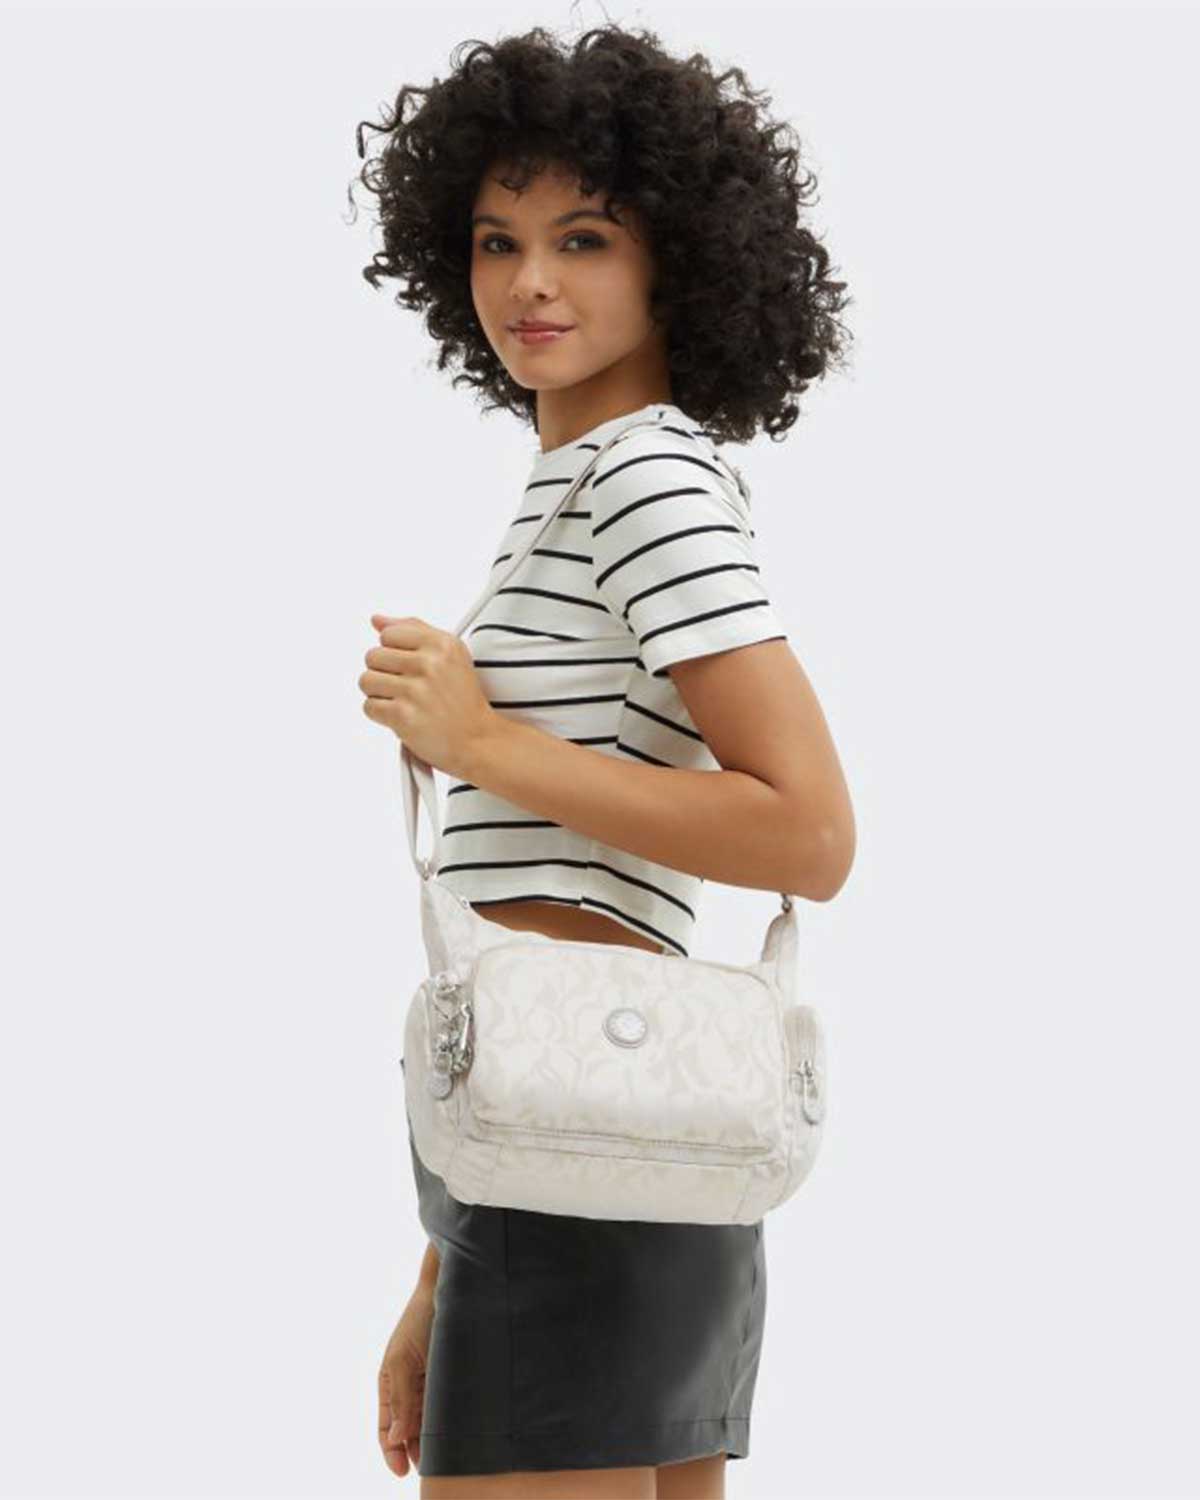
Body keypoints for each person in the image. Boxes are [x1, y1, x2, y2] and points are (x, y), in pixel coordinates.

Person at [352, 22, 856, 1498]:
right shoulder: (578, 484)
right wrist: (442, 1270)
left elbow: (811, 832)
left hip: (590, 1149)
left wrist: (480, 740)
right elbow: (544, 964)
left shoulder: (643, 475)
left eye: (582, 238)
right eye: (496, 240)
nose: (529, 281)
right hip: (592, 1140)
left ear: (674, 261)